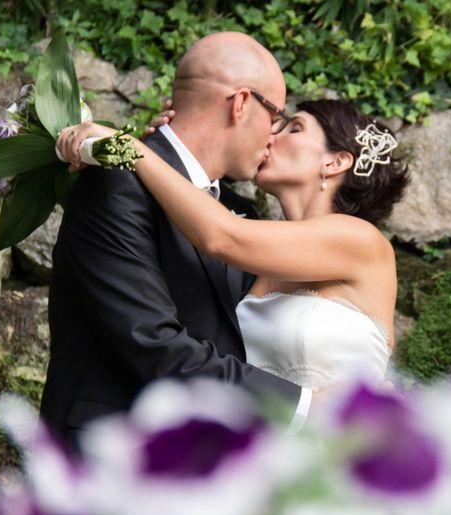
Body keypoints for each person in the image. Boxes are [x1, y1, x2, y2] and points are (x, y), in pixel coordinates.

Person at [40, 32, 307, 452]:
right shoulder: (114, 182)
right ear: (240, 104)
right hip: (112, 457)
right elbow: (152, 343)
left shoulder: (238, 212)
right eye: (275, 116)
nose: (274, 137)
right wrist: (304, 409)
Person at [55, 95, 410, 394]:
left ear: (336, 161)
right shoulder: (257, 239)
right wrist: (171, 147)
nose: (272, 134)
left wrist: (133, 150)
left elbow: (219, 235)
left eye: (294, 127)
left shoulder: (360, 241)